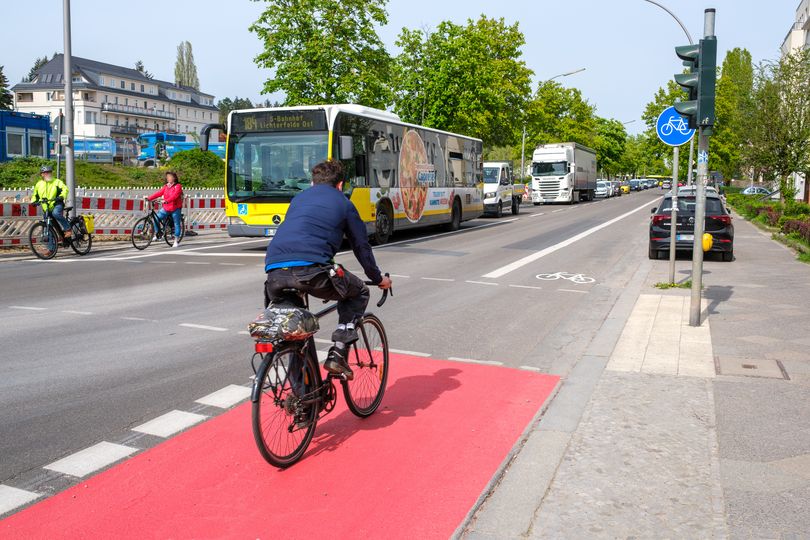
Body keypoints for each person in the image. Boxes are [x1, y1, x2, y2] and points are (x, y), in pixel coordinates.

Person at [264, 160, 392, 380]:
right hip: (313, 271)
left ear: (313, 183)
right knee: (358, 291)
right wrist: (378, 278)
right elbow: (361, 246)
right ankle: (339, 354)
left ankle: (303, 403)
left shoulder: (298, 199)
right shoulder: (344, 203)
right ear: (340, 185)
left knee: (293, 331)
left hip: (274, 273)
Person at [144, 171, 184, 248]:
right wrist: (149, 198)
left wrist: (166, 200)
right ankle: (159, 234)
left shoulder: (178, 186)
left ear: (174, 178)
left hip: (175, 208)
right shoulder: (166, 186)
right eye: (167, 177)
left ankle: (176, 240)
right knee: (156, 218)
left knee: (176, 223)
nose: (168, 178)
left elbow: (175, 196)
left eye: (170, 177)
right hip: (166, 207)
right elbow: (159, 193)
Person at [32, 166, 71, 239]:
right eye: (46, 172)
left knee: (56, 213)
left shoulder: (57, 181)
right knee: (47, 225)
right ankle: (51, 249)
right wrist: (33, 201)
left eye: (49, 172)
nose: (48, 174)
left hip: (57, 203)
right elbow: (35, 195)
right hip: (46, 206)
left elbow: (65, 189)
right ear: (42, 174)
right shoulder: (39, 184)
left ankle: (67, 229)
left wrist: (62, 196)